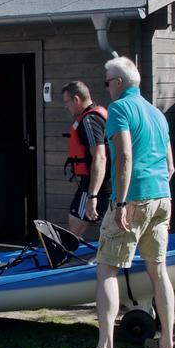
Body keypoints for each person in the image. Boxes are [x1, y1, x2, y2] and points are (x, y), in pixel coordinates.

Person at [73, 56, 175, 348]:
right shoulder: (157, 113)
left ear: (118, 82)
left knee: (106, 269)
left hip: (133, 200)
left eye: (106, 82)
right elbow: (171, 166)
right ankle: (167, 345)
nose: (106, 87)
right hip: (162, 196)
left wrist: (120, 203)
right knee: (159, 272)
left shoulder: (119, 109)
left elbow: (125, 156)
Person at [60, 81, 110, 239]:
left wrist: (92, 195)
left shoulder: (89, 121)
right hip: (104, 184)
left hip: (94, 185)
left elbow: (100, 156)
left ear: (76, 99)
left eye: (66, 102)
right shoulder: (97, 115)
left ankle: (65, 261)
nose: (65, 106)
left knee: (74, 229)